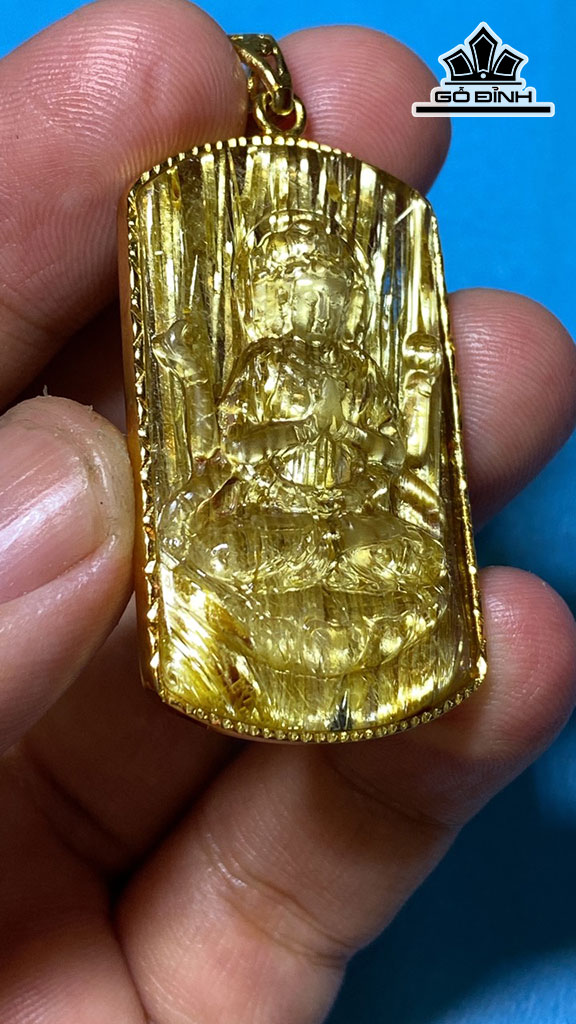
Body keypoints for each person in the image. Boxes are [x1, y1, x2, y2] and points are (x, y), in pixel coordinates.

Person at [0, 4, 575, 1022]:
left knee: (395, 551)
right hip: (261, 528)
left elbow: (384, 444)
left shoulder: (361, 368)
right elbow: (231, 443)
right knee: (236, 545)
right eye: (283, 286)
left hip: (347, 529)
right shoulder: (254, 371)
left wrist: (349, 454)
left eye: (321, 284)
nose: (300, 304)